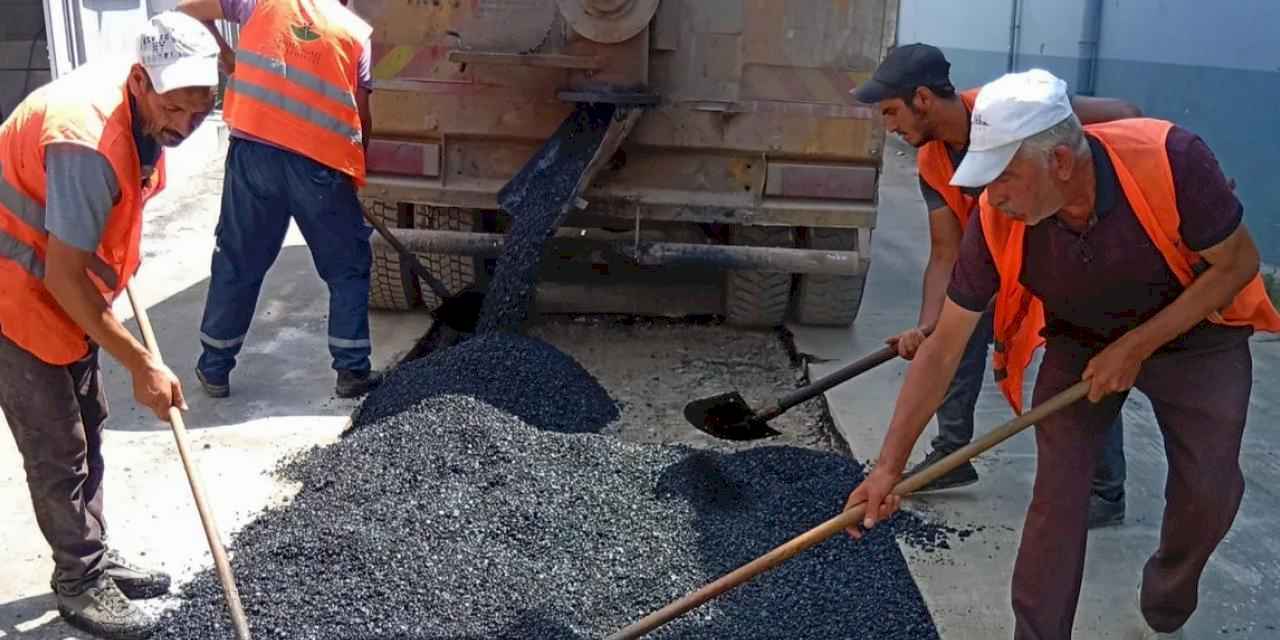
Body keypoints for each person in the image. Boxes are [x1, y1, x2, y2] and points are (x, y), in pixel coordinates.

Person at [845, 69, 1279, 639]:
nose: (989, 197)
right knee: (1057, 496)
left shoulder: (1170, 159)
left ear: (1060, 163)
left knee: (1210, 491)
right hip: (1080, 338)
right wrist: (888, 468)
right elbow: (944, 347)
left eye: (1003, 178)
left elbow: (1239, 264)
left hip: (1198, 335)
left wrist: (1137, 346)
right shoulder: (998, 218)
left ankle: (1172, 585)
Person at [851, 44, 1139, 528]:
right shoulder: (933, 163)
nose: (890, 127)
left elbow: (1126, 116)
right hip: (996, 259)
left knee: (1090, 362)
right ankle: (952, 451)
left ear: (922, 98)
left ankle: (1105, 491)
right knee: (952, 337)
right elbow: (945, 250)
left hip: (1066, 250)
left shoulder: (1013, 108)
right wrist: (928, 325)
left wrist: (1145, 173)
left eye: (891, 112)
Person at [0, 13, 220, 638]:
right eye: (174, 108)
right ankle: (79, 582)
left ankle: (92, 551)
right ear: (140, 81)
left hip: (58, 283)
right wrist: (142, 362)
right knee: (57, 446)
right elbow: (64, 277)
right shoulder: (87, 143)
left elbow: (87, 244)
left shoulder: (141, 121)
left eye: (200, 112)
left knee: (90, 423)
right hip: (12, 291)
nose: (183, 125)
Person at [177, 0, 380, 399]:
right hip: (320, 165)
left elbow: (187, 10)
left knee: (238, 260)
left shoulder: (258, 4)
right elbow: (362, 114)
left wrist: (225, 53)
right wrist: (352, 173)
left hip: (254, 156)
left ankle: (214, 367)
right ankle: (352, 372)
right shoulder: (357, 34)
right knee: (347, 268)